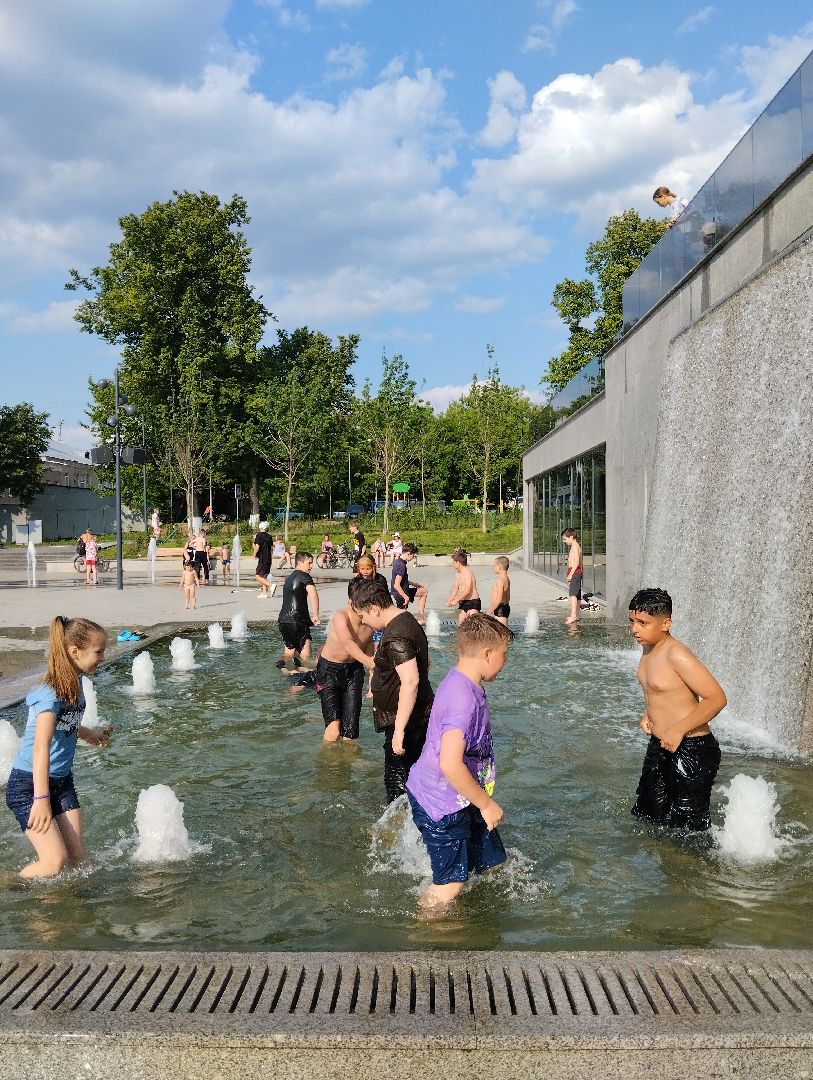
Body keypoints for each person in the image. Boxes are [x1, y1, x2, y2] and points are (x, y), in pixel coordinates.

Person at [406, 614, 513, 909]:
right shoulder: (463, 699)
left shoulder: (462, 681)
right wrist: (486, 804)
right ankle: (420, 936)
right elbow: (450, 764)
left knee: (492, 863)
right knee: (451, 883)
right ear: (487, 653)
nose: (505, 662)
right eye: (504, 655)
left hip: (460, 796)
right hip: (443, 803)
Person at [5, 616, 112, 878]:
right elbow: (40, 748)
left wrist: (89, 734)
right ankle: (9, 884)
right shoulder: (50, 693)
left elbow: (68, 724)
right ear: (75, 652)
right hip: (30, 785)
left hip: (61, 782)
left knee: (78, 857)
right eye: (98, 652)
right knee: (55, 862)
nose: (103, 658)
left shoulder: (74, 683)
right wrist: (41, 800)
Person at [629, 588, 726, 831]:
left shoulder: (677, 655)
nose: (634, 630)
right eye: (632, 621)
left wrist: (679, 730)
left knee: (688, 831)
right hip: (661, 744)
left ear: (666, 623)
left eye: (643, 623)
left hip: (693, 748)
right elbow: (661, 690)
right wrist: (649, 714)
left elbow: (716, 698)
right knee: (647, 815)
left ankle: (695, 867)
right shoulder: (649, 648)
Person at [351, 578, 434, 803]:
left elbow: (410, 681)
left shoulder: (396, 635)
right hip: (416, 717)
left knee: (397, 785)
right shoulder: (406, 620)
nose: (364, 623)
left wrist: (399, 730)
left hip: (407, 722)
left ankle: (396, 833)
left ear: (374, 609)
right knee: (413, 782)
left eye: (363, 616)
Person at [317, 577, 376, 743]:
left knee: (350, 732)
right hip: (328, 671)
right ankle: (330, 764)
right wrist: (370, 663)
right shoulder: (340, 617)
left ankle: (348, 762)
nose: (364, 610)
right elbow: (348, 644)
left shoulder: (369, 622)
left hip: (353, 672)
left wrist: (372, 679)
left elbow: (369, 648)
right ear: (350, 603)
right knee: (334, 728)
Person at [278, 550, 321, 665]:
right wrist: (315, 615)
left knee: (289, 652)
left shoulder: (289, 577)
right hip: (297, 620)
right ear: (300, 563)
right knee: (306, 653)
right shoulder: (305, 576)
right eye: (309, 563)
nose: (311, 566)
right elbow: (313, 594)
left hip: (283, 620)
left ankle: (282, 666)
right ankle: (303, 675)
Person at [391, 542, 428, 625]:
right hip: (401, 593)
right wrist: (406, 597)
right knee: (400, 619)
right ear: (408, 553)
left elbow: (399, 579)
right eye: (413, 556)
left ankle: (421, 618)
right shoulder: (401, 566)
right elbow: (396, 585)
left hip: (401, 591)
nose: (413, 558)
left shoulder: (397, 561)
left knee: (423, 591)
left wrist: (414, 584)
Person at [446, 549, 481, 622]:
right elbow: (455, 588)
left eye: (453, 562)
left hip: (473, 602)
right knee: (461, 624)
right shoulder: (458, 574)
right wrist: (450, 599)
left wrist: (456, 600)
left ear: (458, 562)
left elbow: (467, 590)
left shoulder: (468, 573)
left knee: (473, 624)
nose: (452, 564)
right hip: (464, 602)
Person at [561, 528, 582, 625]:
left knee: (573, 595)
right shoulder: (575, 546)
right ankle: (576, 615)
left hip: (574, 572)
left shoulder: (575, 547)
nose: (564, 541)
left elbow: (577, 562)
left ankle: (573, 616)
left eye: (565, 539)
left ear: (571, 537)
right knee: (577, 595)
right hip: (576, 572)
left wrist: (570, 574)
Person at [487, 556, 511, 625]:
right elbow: (508, 597)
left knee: (502, 633)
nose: (493, 567)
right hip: (504, 607)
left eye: (494, 566)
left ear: (499, 567)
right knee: (502, 631)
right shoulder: (507, 579)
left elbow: (499, 599)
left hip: (500, 608)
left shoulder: (500, 580)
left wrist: (489, 611)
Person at [253, 521, 274, 598]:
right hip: (268, 558)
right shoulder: (269, 536)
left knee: (257, 576)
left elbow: (257, 547)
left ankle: (271, 585)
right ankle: (264, 593)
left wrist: (254, 554)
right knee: (263, 576)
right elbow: (271, 549)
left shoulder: (259, 536)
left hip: (262, 558)